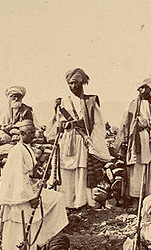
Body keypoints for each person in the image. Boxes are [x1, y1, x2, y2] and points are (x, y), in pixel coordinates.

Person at [0, 119, 68, 250]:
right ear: (22, 134)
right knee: (18, 223)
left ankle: (39, 244)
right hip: (18, 194)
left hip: (28, 189)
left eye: (34, 133)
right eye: (30, 133)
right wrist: (31, 198)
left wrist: (37, 178)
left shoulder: (27, 148)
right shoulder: (17, 151)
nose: (33, 136)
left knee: (57, 198)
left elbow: (29, 173)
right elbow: (18, 177)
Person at [46, 68, 111, 209]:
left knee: (81, 169)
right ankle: (65, 203)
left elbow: (99, 124)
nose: (73, 86)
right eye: (71, 83)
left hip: (82, 140)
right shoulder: (62, 102)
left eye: (76, 83)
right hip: (66, 140)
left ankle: (80, 202)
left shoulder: (90, 101)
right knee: (65, 170)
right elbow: (54, 124)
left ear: (83, 83)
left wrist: (92, 140)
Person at [117, 77, 151, 201]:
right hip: (137, 141)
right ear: (138, 89)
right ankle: (136, 200)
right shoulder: (132, 104)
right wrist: (123, 140)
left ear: (150, 89)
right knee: (137, 170)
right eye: (141, 88)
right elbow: (125, 123)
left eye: (146, 88)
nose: (143, 90)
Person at [0, 85, 34, 155]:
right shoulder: (5, 112)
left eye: (19, 96)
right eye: (14, 96)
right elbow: (2, 126)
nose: (16, 99)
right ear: (9, 98)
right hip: (8, 134)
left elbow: (28, 126)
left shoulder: (26, 111)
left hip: (22, 133)